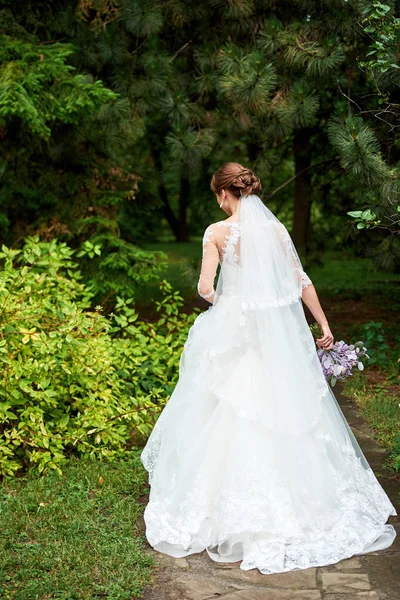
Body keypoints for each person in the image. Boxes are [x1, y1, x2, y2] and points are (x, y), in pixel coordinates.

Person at [140, 162, 397, 575]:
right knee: (280, 405)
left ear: (224, 194)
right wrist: (324, 324)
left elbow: (206, 288)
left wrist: (222, 303)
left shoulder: (216, 233)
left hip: (233, 330)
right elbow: (300, 281)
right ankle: (302, 502)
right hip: (273, 336)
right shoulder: (276, 230)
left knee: (224, 406)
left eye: (217, 196)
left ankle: (220, 503)